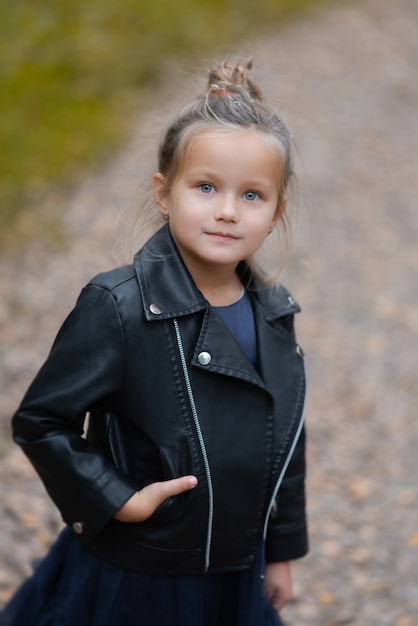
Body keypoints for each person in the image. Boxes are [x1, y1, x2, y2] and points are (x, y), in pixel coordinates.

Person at [1, 59, 308, 626]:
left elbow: (284, 446)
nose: (225, 210)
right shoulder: (118, 306)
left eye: (251, 195)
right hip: (143, 571)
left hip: (237, 568)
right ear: (165, 194)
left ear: (276, 212)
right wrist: (116, 496)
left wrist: (281, 552)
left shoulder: (274, 312)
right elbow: (42, 420)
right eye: (207, 187)